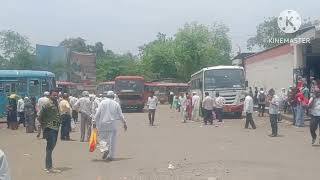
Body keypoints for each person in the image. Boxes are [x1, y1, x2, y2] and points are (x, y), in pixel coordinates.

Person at [94, 91, 127, 161]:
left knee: (102, 139)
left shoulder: (102, 103)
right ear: (113, 97)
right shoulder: (116, 104)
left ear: (107, 96)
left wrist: (94, 122)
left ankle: (104, 149)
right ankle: (111, 156)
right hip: (112, 125)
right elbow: (120, 115)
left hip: (102, 124)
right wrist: (124, 123)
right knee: (112, 141)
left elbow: (97, 114)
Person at [38, 89, 61, 173]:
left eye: (56, 95)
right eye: (54, 95)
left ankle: (48, 166)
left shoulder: (56, 102)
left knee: (52, 145)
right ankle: (49, 167)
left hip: (55, 127)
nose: (55, 96)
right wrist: (44, 126)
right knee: (49, 147)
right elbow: (40, 116)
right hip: (49, 127)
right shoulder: (47, 104)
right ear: (50, 95)